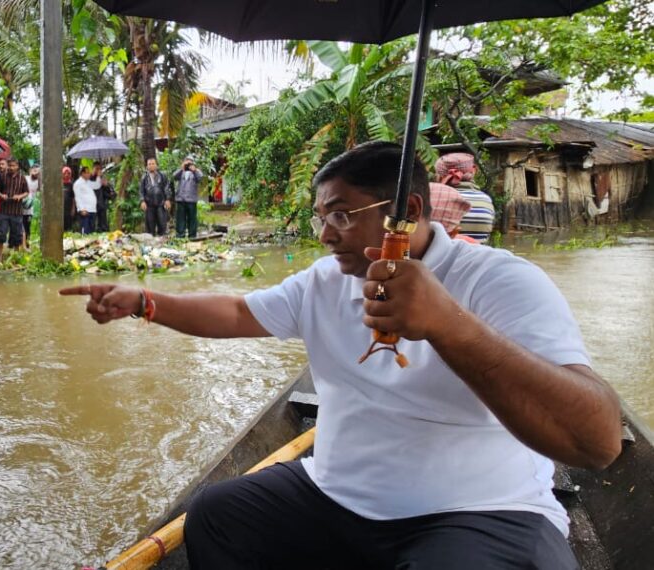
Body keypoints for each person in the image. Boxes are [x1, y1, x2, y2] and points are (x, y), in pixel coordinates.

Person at [61, 141, 622, 570]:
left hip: (477, 509)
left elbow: (596, 444)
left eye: (343, 214)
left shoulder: (501, 281)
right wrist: (145, 301)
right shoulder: (325, 281)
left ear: (408, 209)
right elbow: (236, 312)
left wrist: (446, 323)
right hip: (336, 494)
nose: (327, 234)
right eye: (322, 216)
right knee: (217, 516)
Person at [436, 153, 496, 244]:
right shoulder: (486, 200)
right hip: (478, 255)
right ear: (473, 172)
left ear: (440, 176)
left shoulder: (435, 198)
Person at [0, 158, 29, 254]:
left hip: (16, 211)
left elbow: (26, 192)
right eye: (9, 165)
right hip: (4, 211)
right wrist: (2, 195)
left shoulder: (22, 178)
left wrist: (19, 196)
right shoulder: (3, 177)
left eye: (13, 166)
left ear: (17, 167)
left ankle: (16, 255)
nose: (11, 167)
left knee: (17, 235)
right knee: (1, 234)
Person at [172, 155, 203, 239]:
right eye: (187, 162)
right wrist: (181, 168)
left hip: (191, 200)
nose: (188, 164)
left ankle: (192, 236)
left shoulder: (196, 171)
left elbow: (200, 178)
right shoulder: (181, 171)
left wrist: (194, 170)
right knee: (180, 218)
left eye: (190, 162)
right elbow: (174, 176)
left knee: (192, 219)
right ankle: (180, 235)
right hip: (180, 199)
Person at [139, 157, 172, 236]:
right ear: (147, 166)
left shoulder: (162, 175)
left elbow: (166, 187)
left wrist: (167, 199)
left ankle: (162, 240)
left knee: (162, 224)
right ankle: (151, 242)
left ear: (156, 165)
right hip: (149, 204)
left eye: (153, 164)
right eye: (149, 164)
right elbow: (141, 190)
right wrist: (142, 201)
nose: (151, 165)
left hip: (161, 203)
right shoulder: (144, 177)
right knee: (150, 226)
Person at [73, 167, 97, 235]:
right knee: (85, 231)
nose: (89, 174)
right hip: (85, 210)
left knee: (92, 231)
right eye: (88, 172)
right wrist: (82, 209)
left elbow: (97, 185)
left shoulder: (88, 182)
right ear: (83, 173)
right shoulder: (78, 183)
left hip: (92, 210)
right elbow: (77, 197)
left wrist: (98, 176)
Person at [94, 164, 116, 233]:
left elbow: (113, 194)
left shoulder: (104, 180)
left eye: (99, 169)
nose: (98, 171)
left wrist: (106, 186)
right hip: (92, 208)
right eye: (96, 169)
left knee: (103, 226)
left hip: (102, 207)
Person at [23, 165, 40, 248]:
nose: (36, 172)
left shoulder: (38, 182)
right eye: (34, 170)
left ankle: (27, 244)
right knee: (20, 226)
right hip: (21, 206)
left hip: (30, 208)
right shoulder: (25, 179)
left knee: (27, 226)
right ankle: (19, 244)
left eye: (38, 171)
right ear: (30, 170)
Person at [62, 163, 76, 233]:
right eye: (65, 173)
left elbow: (73, 197)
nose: (66, 175)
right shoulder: (59, 183)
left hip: (69, 208)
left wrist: (73, 209)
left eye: (68, 173)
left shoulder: (71, 184)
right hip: (61, 208)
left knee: (68, 225)